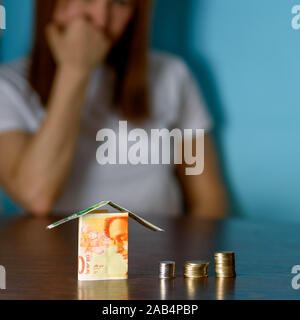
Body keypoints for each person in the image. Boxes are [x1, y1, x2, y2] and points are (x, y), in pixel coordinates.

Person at [0, 0, 227, 218]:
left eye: (120, 2)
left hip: (158, 253)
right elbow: (36, 197)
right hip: (57, 256)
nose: (101, 20)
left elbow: (209, 200)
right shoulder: (8, 85)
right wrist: (75, 70)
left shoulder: (171, 75)